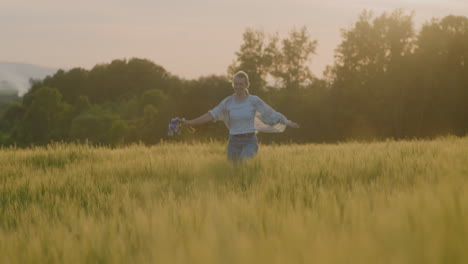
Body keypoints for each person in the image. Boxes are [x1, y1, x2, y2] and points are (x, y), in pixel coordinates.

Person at [183, 71, 300, 163]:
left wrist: (287, 122)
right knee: (234, 175)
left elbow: (270, 113)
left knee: (243, 165)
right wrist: (190, 122)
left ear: (246, 85)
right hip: (233, 142)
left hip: (249, 141)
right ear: (233, 84)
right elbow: (211, 114)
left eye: (241, 84)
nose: (238, 87)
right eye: (236, 84)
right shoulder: (227, 102)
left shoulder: (254, 100)